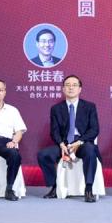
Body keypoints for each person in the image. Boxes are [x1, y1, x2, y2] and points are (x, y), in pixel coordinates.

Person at [37, 75, 101, 203]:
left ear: (80, 89)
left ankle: (88, 189)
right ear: (63, 89)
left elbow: (94, 130)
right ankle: (54, 187)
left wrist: (79, 142)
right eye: (67, 85)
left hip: (82, 143)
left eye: (74, 85)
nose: (71, 88)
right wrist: (61, 144)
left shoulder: (89, 107)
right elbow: (54, 131)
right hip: (64, 144)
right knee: (43, 155)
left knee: (90, 151)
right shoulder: (56, 109)